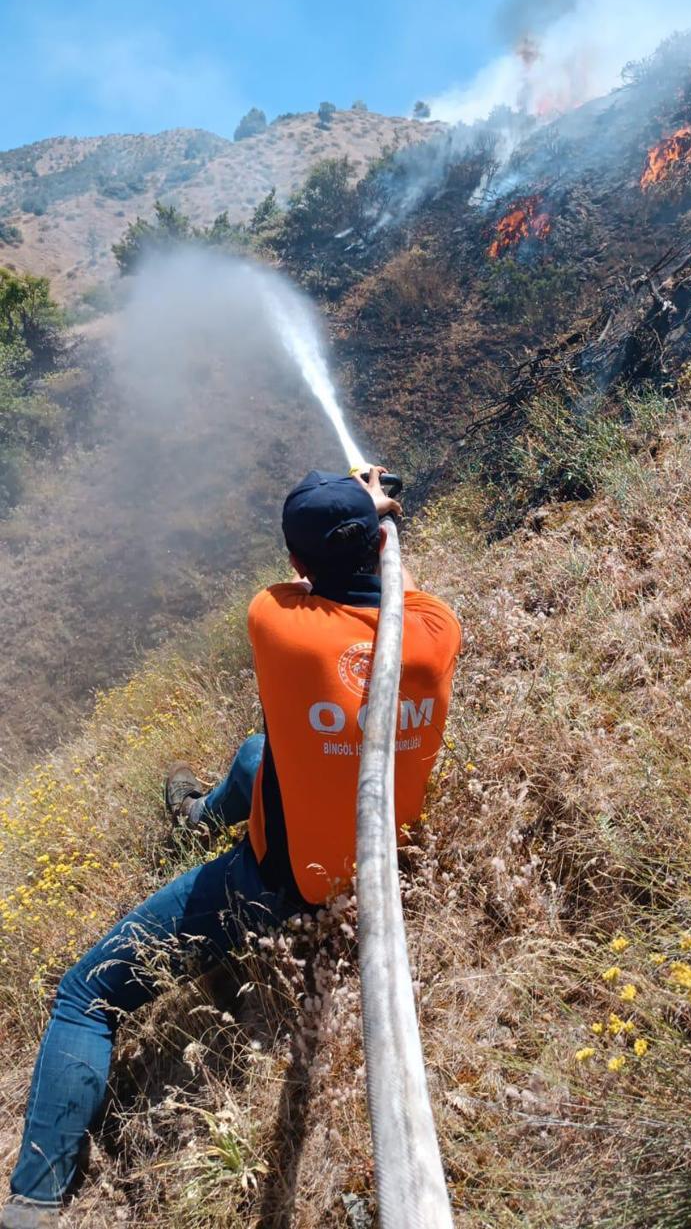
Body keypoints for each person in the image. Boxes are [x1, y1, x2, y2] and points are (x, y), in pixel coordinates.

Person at [2, 468, 461, 1229]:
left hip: (283, 881)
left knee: (86, 994)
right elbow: (400, 585)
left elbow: (297, 583)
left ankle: (30, 1202)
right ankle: (199, 814)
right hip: (374, 846)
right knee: (259, 752)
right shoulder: (438, 632)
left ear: (303, 567)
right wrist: (375, 517)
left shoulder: (279, 623)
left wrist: (354, 508)